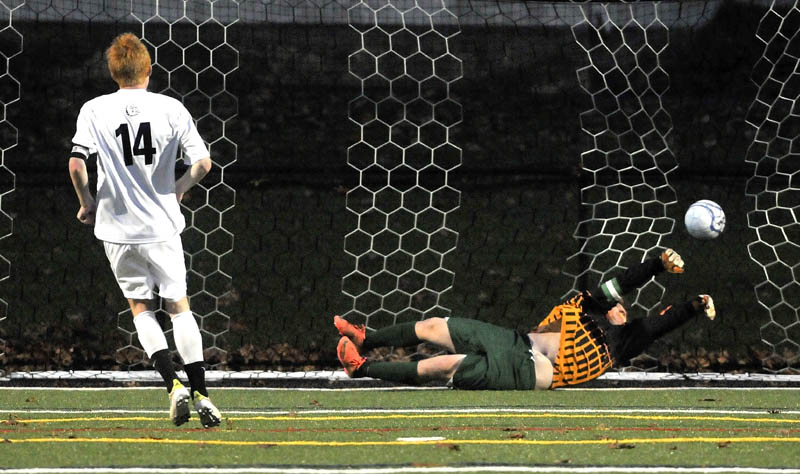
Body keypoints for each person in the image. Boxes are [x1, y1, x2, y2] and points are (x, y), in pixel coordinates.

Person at [68, 33, 221, 426]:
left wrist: (87, 203)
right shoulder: (171, 108)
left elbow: (76, 165)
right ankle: (201, 392)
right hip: (162, 226)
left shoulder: (94, 109)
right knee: (178, 307)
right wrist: (178, 190)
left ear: (113, 71)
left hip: (117, 230)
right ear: (149, 69)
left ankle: (172, 386)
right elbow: (203, 164)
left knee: (140, 308)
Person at [334, 249, 716, 390]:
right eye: (619, 307)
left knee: (444, 366)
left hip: (533, 371)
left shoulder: (619, 344)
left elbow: (656, 325)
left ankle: (362, 367)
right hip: (515, 342)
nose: (622, 310)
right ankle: (368, 338)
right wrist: (657, 265)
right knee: (435, 325)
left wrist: (694, 306)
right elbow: (620, 284)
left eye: (625, 312)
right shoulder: (588, 306)